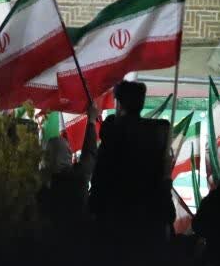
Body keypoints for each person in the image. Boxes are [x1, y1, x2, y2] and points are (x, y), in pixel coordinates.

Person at [88, 81, 173, 242]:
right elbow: (167, 210)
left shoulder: (112, 136)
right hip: (147, 235)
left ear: (119, 104)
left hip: (112, 230)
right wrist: (167, 176)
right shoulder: (156, 139)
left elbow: (98, 182)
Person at [38, 101, 99, 230]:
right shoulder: (78, 177)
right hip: (79, 238)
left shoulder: (39, 184)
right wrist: (91, 121)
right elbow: (89, 153)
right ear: (68, 154)